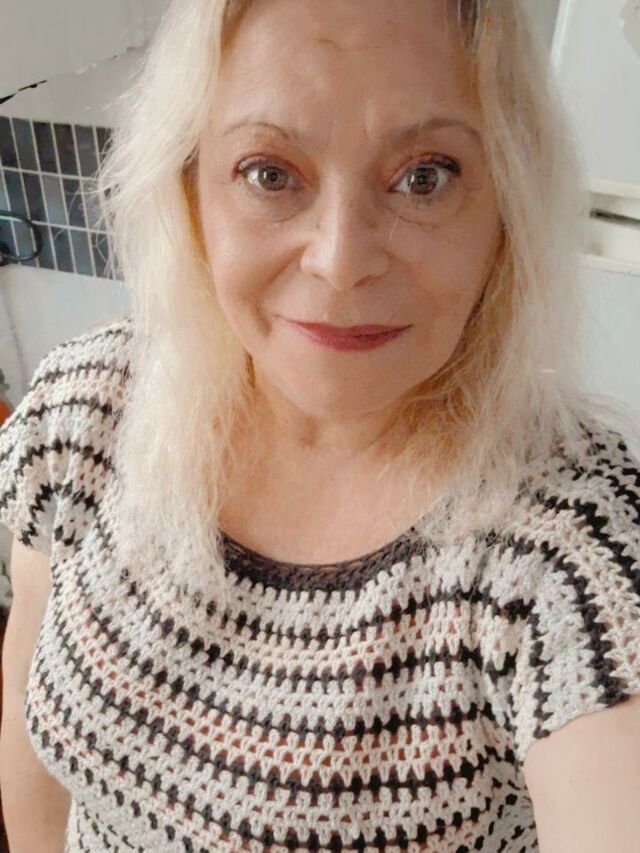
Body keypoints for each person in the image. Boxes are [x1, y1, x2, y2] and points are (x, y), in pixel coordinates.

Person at [1, 0, 639, 850]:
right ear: (190, 187)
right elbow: (28, 712)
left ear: (507, 204)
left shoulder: (571, 551)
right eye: (270, 173)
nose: (341, 260)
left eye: (425, 176)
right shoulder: (87, 412)